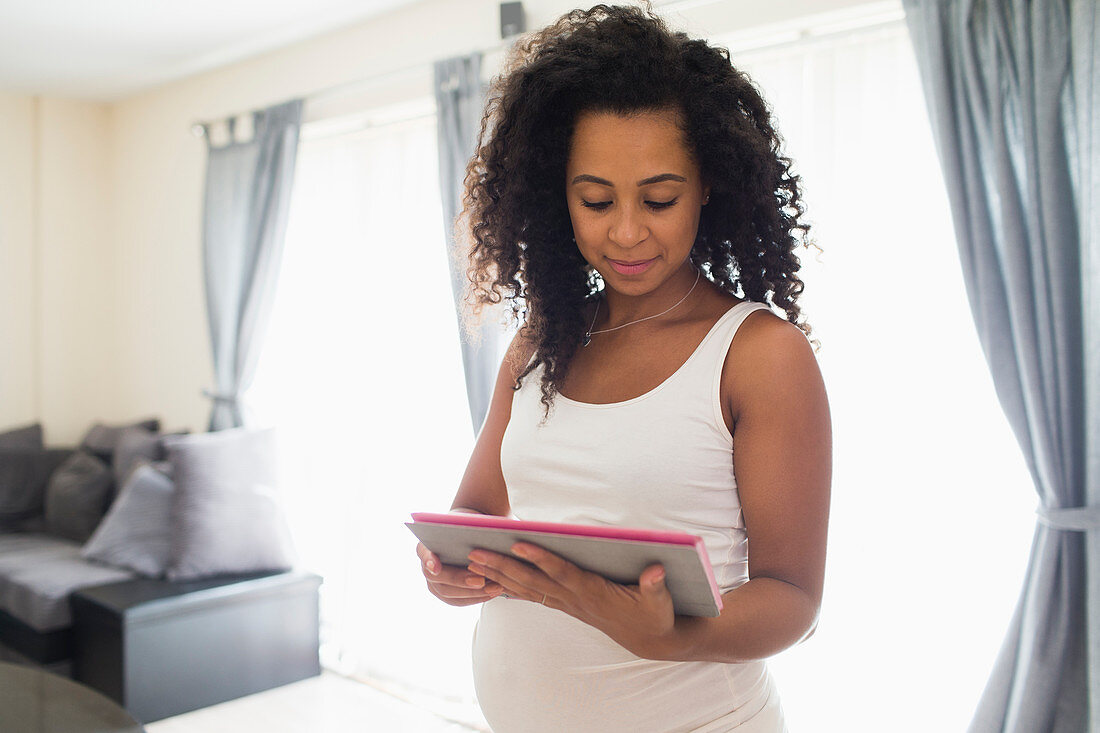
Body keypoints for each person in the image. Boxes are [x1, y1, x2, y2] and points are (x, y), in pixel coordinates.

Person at [415, 3, 831, 731]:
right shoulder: (538, 345)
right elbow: (478, 510)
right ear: (559, 197)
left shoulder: (757, 354)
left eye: (660, 197)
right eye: (597, 200)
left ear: (708, 185)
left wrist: (667, 634)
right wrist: (451, 565)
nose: (628, 230)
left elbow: (792, 596)